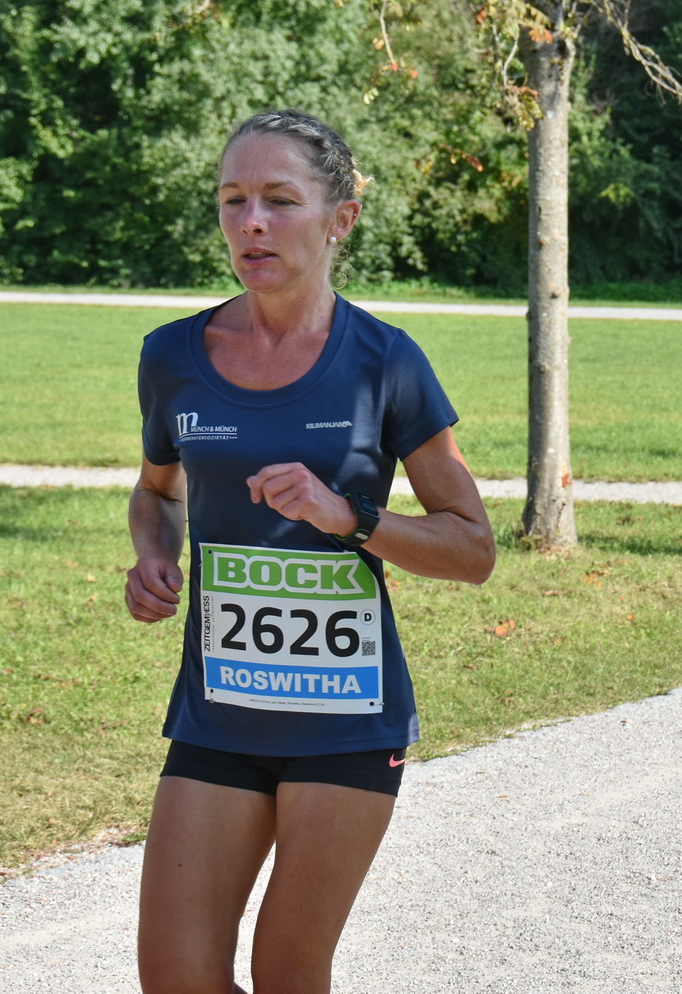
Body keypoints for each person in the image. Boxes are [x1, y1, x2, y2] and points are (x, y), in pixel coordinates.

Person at [125, 110, 496, 994]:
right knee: (174, 973)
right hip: (219, 712)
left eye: (280, 200)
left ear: (341, 219)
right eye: (234, 200)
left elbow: (472, 546)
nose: (251, 222)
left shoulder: (385, 363)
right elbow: (157, 491)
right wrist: (154, 555)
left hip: (345, 720)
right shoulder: (173, 357)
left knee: (288, 972)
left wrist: (351, 518)